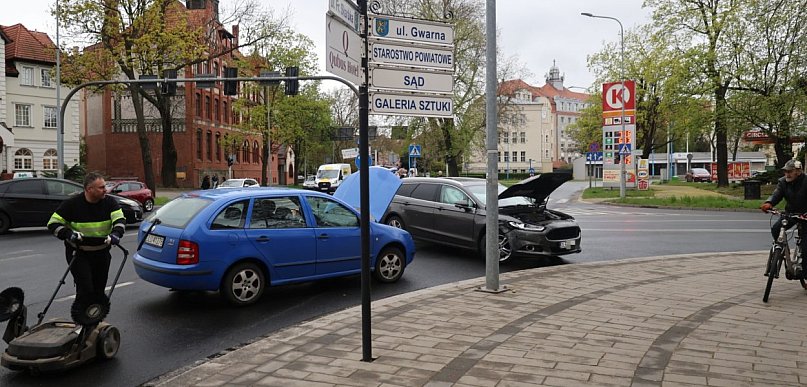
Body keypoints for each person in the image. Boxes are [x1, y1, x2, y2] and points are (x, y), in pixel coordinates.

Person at [47, 172, 126, 312]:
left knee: (99, 288)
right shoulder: (71, 204)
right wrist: (69, 234)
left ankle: (95, 319)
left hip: (101, 253)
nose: (106, 190)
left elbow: (119, 220)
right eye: (101, 187)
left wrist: (115, 234)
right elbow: (53, 224)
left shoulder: (109, 203)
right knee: (85, 288)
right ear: (89, 189)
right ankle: (81, 319)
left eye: (105, 186)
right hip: (78, 254)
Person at [760, 159, 807, 276]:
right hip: (790, 213)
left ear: (798, 171)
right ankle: (779, 252)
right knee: (776, 229)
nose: (787, 174)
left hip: (806, 216)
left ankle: (805, 272)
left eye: (790, 171)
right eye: (785, 171)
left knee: (806, 246)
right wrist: (769, 203)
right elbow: (777, 194)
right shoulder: (783, 182)